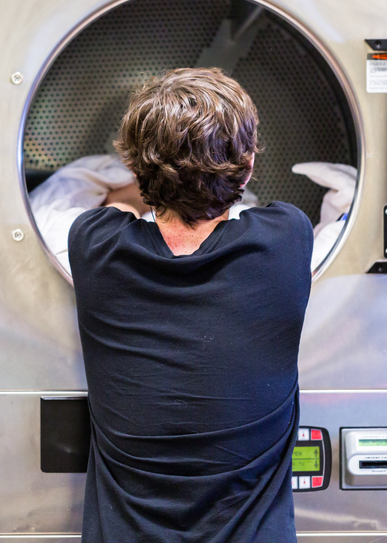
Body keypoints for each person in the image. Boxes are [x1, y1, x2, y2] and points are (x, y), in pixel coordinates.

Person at [68, 67, 313, 542]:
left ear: (136, 169)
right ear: (247, 166)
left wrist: (148, 190)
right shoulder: (286, 238)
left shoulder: (94, 245)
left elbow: (115, 208)